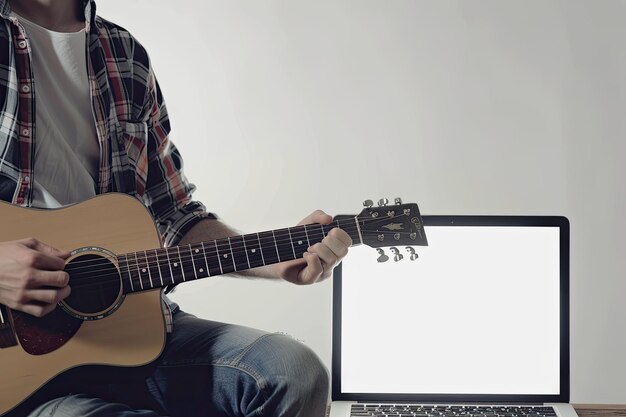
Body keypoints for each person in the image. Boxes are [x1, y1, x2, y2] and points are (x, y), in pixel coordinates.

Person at [0, 0, 352, 416]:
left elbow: (174, 212)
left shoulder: (124, 53)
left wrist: (279, 260)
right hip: (18, 366)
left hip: (132, 325)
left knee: (295, 372)